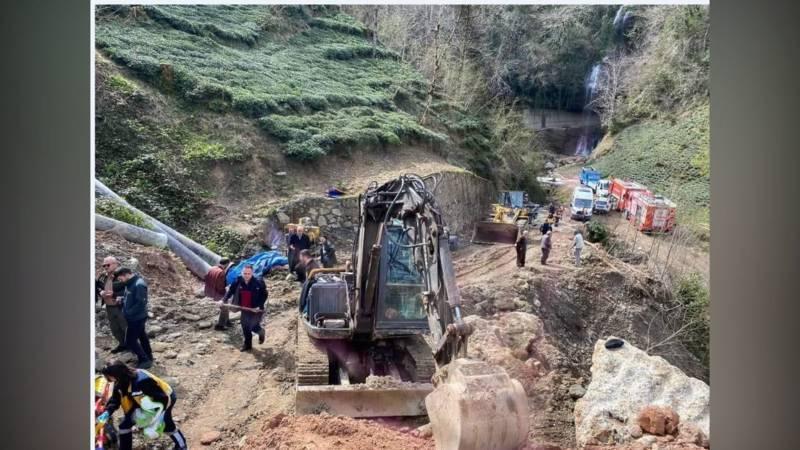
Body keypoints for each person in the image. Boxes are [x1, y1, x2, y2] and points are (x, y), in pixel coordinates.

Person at [100, 360, 188, 450]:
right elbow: (116, 399)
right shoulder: (120, 381)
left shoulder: (142, 381)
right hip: (141, 402)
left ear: (116, 374)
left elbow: (163, 398)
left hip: (164, 400)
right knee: (124, 425)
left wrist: (155, 417)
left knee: (167, 424)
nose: (109, 380)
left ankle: (182, 445)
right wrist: (108, 411)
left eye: (109, 377)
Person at [115, 267, 153, 369]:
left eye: (120, 279)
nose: (120, 281)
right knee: (142, 337)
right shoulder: (130, 283)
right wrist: (122, 299)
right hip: (134, 317)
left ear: (126, 274)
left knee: (130, 341)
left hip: (136, 318)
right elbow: (131, 298)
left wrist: (128, 312)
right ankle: (148, 356)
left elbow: (141, 303)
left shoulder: (139, 284)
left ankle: (144, 360)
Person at [223, 265, 267, 351]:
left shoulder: (258, 282)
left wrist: (259, 306)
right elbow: (230, 291)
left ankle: (261, 332)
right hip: (244, 308)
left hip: (256, 308)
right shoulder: (238, 280)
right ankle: (247, 345)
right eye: (245, 273)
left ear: (252, 273)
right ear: (242, 273)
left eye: (248, 274)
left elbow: (264, 295)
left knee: (253, 326)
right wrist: (223, 300)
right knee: (245, 326)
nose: (246, 275)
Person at [96, 256, 128, 353]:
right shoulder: (103, 276)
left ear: (115, 264)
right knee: (115, 329)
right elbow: (97, 286)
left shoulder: (122, 276)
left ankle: (133, 347)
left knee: (126, 328)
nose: (105, 267)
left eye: (108, 265)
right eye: (104, 265)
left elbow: (128, 291)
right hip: (109, 307)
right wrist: (100, 292)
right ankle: (122, 344)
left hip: (121, 306)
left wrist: (115, 295)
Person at [204, 258, 232, 331]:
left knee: (226, 306)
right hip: (218, 293)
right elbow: (220, 286)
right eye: (228, 265)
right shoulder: (221, 272)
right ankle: (220, 326)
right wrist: (224, 293)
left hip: (211, 291)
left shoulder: (212, 268)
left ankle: (227, 321)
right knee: (224, 308)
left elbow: (206, 278)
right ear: (226, 264)